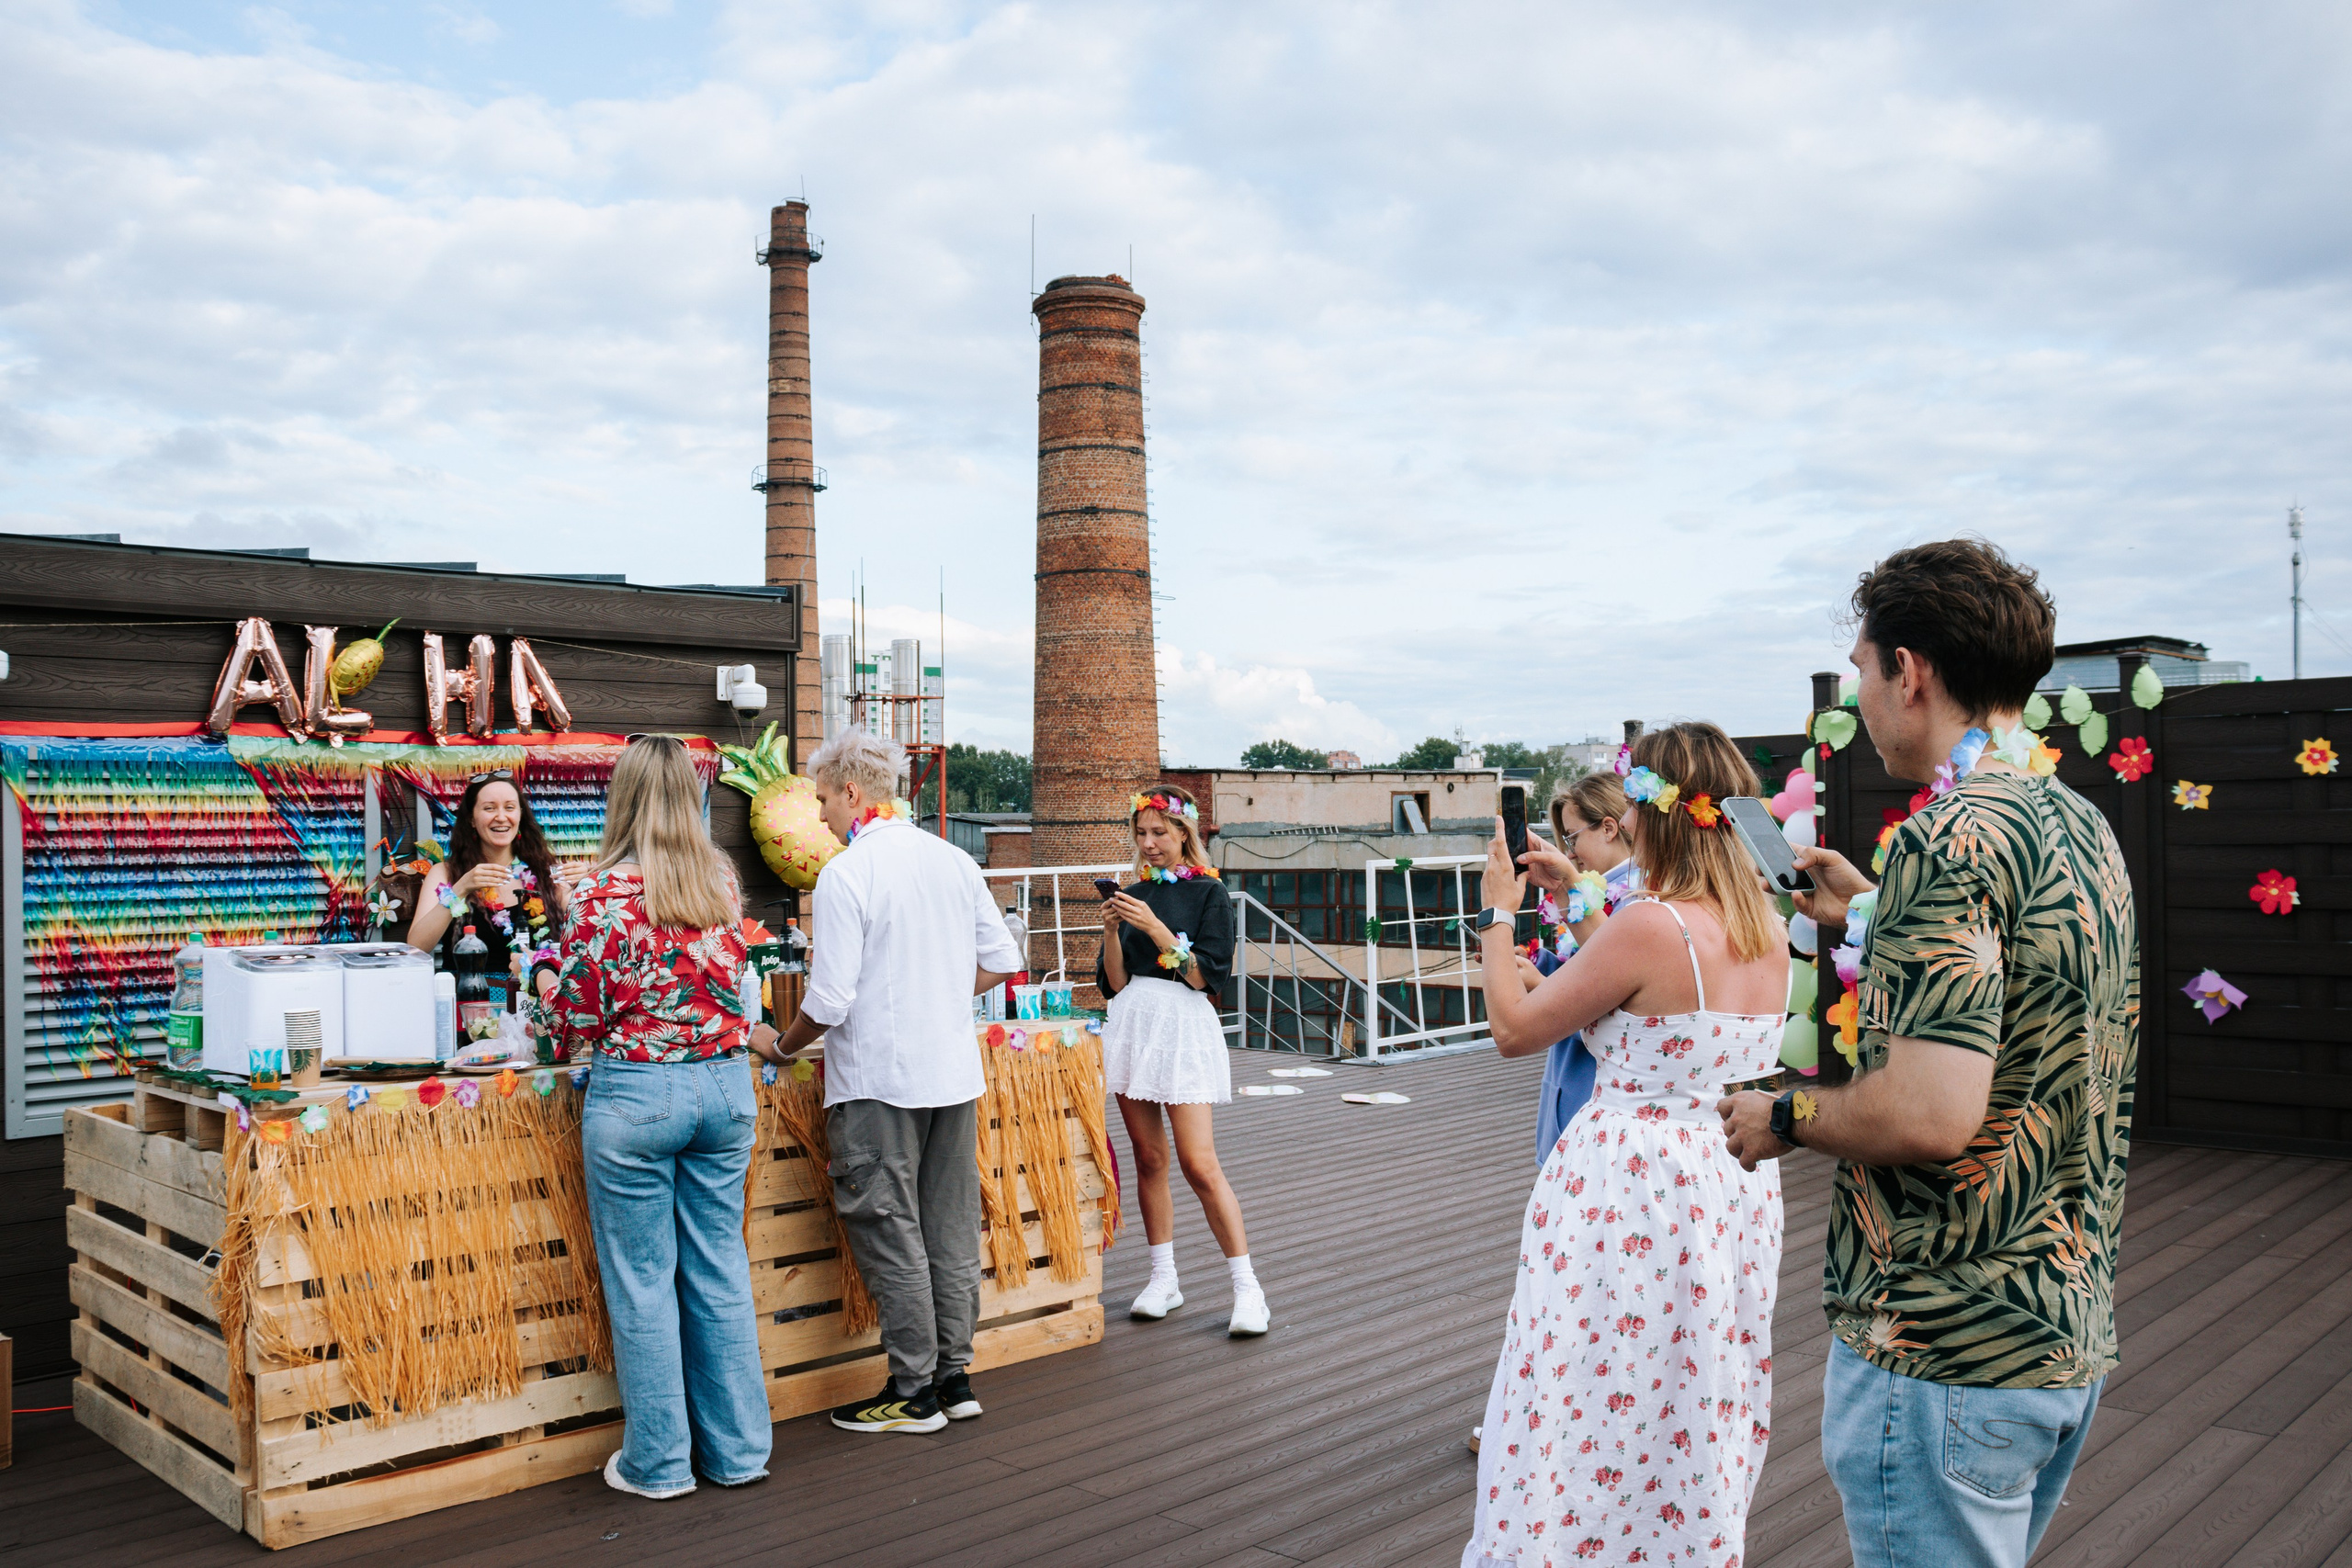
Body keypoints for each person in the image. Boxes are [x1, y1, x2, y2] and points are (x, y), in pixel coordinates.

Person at [1719, 539, 2134, 1568]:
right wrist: (1871, 907)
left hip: (1943, 1348)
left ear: (1909, 672)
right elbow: (2026, 989)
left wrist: (1782, 1115)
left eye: (1862, 669)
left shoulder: (1943, 844)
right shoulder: (2077, 823)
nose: (1860, 696)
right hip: (2055, 1335)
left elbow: (1926, 1115)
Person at [1463, 722, 1788, 1568]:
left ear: (1650, 811)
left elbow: (1512, 1028)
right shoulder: (1768, 927)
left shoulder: (1652, 924)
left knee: (1590, 1386)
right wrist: (1579, 889)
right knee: (1689, 1388)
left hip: (1630, 1185)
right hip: (1724, 1182)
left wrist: (1496, 913)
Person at [754, 730, 1023, 1435]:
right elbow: (1004, 957)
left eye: (820, 800)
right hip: (950, 1072)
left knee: (890, 1227)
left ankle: (912, 1390)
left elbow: (831, 999)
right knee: (949, 1226)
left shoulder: (849, 873)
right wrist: (939, 993)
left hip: (877, 1079)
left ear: (851, 792)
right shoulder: (952, 858)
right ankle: (952, 1376)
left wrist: (781, 1045)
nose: (818, 817)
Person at [551, 735, 769, 1500]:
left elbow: (575, 1014)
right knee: (719, 1268)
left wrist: (545, 976)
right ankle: (739, 1452)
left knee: (645, 1281)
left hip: (639, 1093)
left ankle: (661, 1463)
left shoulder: (598, 893)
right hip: (724, 1088)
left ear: (624, 796)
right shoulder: (720, 879)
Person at [1096, 784, 1267, 1337]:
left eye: (1160, 834)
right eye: (1141, 834)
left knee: (1199, 1163)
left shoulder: (1210, 895)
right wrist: (1112, 932)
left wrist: (1152, 926)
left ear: (1184, 834)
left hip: (1182, 1025)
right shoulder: (1133, 893)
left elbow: (1203, 977)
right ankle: (1163, 1278)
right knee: (1148, 1158)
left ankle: (1248, 1291)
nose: (1149, 845)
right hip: (1133, 1022)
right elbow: (1115, 985)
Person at [1519, 773, 1640, 1163]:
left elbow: (1612, 990)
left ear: (1608, 828)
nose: (1569, 853)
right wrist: (1540, 964)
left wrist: (1538, 982)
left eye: (1572, 838)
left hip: (1598, 1090)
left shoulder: (1637, 900)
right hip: (1575, 1076)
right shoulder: (1596, 890)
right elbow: (1585, 969)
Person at [406, 771, 573, 1008]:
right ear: (472, 819)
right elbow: (416, 947)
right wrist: (460, 889)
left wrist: (585, 888)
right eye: (489, 808)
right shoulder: (445, 873)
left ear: (520, 816)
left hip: (534, 1009)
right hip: (468, 1008)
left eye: (509, 807)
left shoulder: (547, 874)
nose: (501, 817)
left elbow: (585, 934)